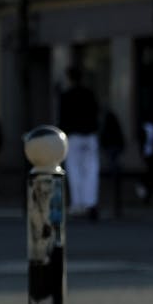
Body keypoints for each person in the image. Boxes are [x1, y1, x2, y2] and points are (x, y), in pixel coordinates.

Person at [58, 69, 101, 219]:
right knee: (91, 170)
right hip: (89, 135)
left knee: (75, 170)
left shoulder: (66, 95)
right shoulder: (89, 94)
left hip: (74, 135)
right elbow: (96, 112)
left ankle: (78, 203)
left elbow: (62, 118)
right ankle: (90, 202)